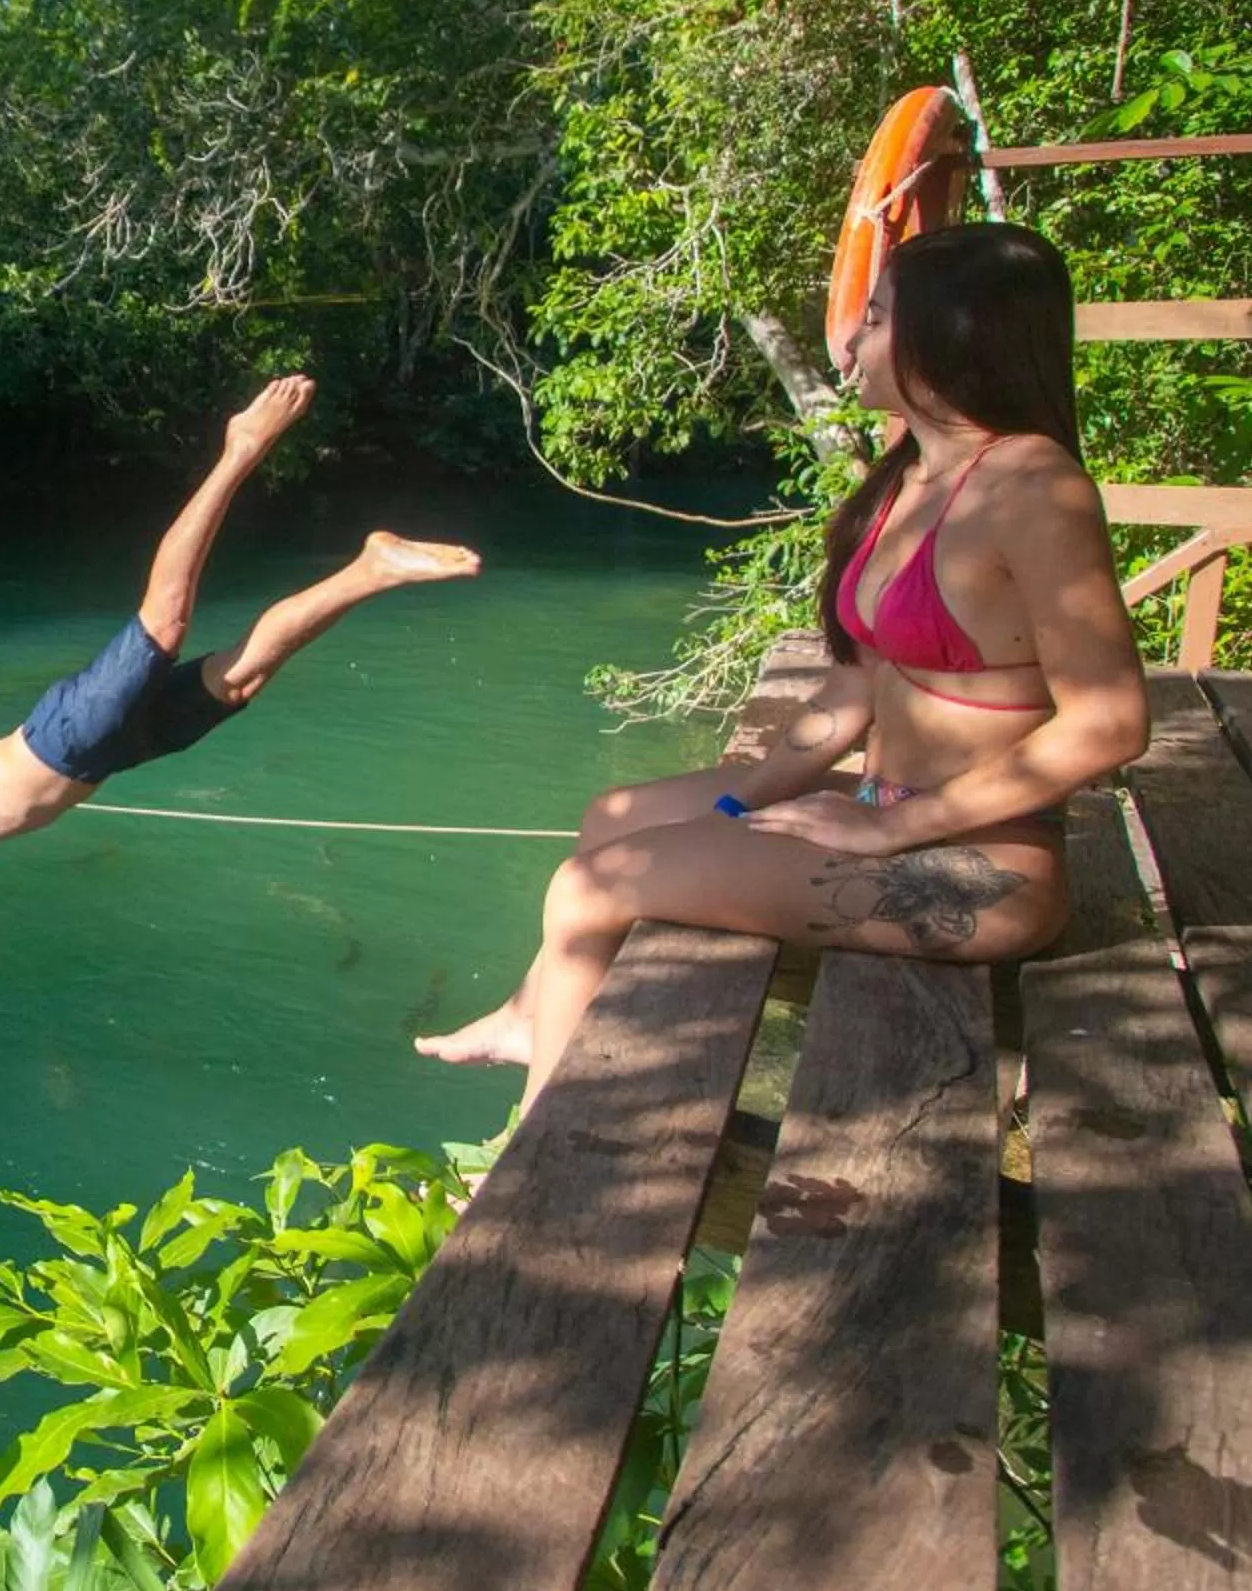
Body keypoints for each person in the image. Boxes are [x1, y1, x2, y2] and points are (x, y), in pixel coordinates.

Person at [417, 221, 1148, 1112]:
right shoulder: (909, 477)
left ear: (948, 335)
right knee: (611, 814)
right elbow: (851, 692)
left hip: (976, 868)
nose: (851, 341)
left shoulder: (1035, 487)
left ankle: (525, 1156)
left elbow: (1111, 724)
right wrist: (739, 804)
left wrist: (884, 833)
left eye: (875, 319)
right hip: (883, 810)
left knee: (584, 891)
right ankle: (536, 1016)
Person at [0, 376, 479, 996]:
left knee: (164, 619)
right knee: (242, 679)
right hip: (116, 752)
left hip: (67, 735)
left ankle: (239, 447)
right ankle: (372, 570)